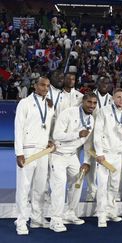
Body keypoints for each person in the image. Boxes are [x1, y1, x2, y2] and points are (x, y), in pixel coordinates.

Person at [49, 93, 97, 232]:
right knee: (59, 185)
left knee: (77, 182)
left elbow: (87, 142)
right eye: (89, 102)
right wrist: (76, 134)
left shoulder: (91, 119)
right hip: (58, 154)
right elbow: (56, 135)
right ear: (83, 101)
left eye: (94, 103)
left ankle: (70, 213)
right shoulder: (68, 113)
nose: (92, 106)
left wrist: (86, 161)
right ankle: (55, 219)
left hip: (72, 156)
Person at [14, 77, 55, 235]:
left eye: (47, 86)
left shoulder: (49, 105)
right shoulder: (24, 103)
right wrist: (19, 152)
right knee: (24, 187)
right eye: (42, 85)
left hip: (43, 150)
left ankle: (37, 219)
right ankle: (21, 220)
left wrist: (50, 140)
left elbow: (47, 126)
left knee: (40, 187)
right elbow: (18, 128)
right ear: (35, 86)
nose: (45, 88)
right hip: (28, 150)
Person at [93, 88, 122, 227]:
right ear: (113, 98)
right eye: (118, 97)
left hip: (118, 153)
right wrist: (99, 153)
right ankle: (101, 215)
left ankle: (111, 211)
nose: (121, 99)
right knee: (102, 184)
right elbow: (97, 133)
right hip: (105, 153)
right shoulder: (104, 111)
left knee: (114, 184)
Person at [85, 75, 112, 202]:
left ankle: (104, 191)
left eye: (107, 83)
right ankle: (91, 191)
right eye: (102, 83)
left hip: (105, 136)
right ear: (97, 84)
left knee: (105, 164)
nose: (105, 85)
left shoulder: (112, 99)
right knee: (89, 163)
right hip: (89, 135)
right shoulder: (89, 97)